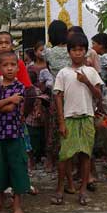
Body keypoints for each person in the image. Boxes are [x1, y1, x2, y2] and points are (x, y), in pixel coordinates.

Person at [52, 34, 102, 206]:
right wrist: (61, 121)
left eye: (81, 49)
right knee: (64, 156)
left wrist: (87, 81)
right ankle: (60, 189)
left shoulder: (91, 72)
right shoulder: (63, 73)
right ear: (69, 52)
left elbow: (98, 95)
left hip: (87, 117)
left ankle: (82, 190)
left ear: (85, 51)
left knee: (85, 155)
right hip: (69, 118)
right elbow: (58, 97)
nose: (77, 53)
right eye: (74, 50)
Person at [0, 51, 30, 213]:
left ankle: (17, 205)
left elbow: (9, 109)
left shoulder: (20, 87)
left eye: (13, 65)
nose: (9, 68)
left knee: (17, 168)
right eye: (5, 65)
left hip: (13, 134)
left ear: (18, 67)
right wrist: (8, 100)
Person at [43, 20, 69, 173]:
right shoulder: (71, 51)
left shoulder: (48, 53)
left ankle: (52, 160)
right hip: (72, 92)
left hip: (56, 92)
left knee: (54, 126)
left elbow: (49, 69)